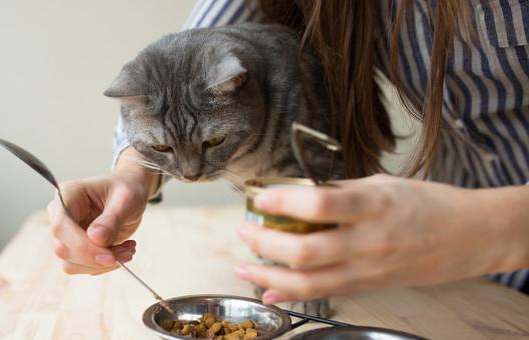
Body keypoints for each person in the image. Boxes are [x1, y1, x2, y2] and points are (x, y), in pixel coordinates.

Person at [47, 0, 529, 304]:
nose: (192, 175)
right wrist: (134, 173)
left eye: (212, 146)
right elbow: (193, 51)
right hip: (471, 286)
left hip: (460, 243)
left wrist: (483, 228)